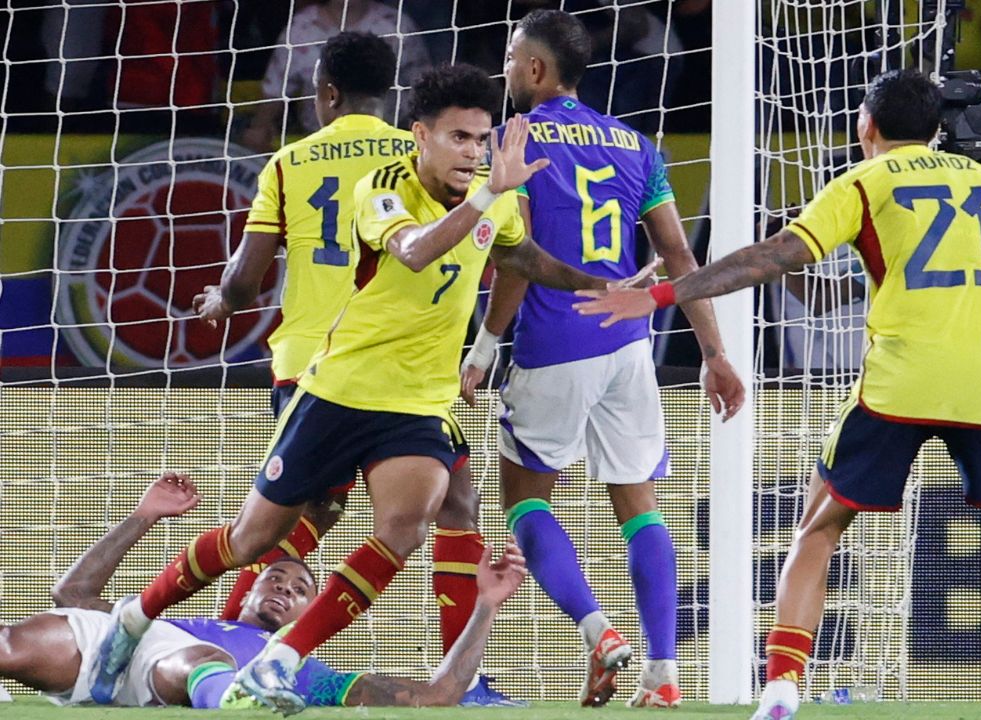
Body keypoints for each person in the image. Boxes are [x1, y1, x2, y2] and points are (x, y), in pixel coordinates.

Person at [575, 69, 981, 720]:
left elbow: (775, 256)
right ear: (936, 128)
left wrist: (662, 293)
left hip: (898, 383)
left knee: (819, 528)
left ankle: (780, 692)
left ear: (867, 126)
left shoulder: (863, 183)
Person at [89, 63, 610, 715]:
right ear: (419, 135)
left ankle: (279, 659)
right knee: (254, 539)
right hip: (339, 389)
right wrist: (484, 198)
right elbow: (414, 251)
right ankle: (135, 619)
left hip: (417, 403)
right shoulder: (380, 189)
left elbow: (521, 257)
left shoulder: (493, 197)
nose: (474, 154)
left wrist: (599, 286)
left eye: (481, 140)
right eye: (459, 139)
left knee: (408, 527)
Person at [192, 31, 513, 706]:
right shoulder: (424, 157)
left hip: (313, 358)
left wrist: (221, 300)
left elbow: (247, 283)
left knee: (433, 500)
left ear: (325, 94)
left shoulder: (290, 160)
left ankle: (457, 680)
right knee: (291, 523)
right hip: (371, 365)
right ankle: (234, 640)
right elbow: (461, 250)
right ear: (400, 104)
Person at [458, 9, 744, 708]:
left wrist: (485, 346)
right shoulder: (635, 145)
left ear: (534, 69)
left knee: (525, 501)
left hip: (555, 343)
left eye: (509, 56)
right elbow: (680, 257)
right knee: (640, 507)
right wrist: (716, 351)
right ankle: (664, 669)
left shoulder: (512, 141)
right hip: (628, 349)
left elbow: (516, 258)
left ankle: (598, 631)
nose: (502, 69)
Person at [0, 473, 528, 709]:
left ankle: (229, 700)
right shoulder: (177, 618)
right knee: (10, 645)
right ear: (246, 591)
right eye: (275, 576)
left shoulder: (304, 671)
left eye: (302, 588)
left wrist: (484, 605)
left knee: (200, 661)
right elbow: (73, 591)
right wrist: (145, 514)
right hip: (124, 642)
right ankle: (227, 696)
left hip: (180, 673)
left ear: (314, 614)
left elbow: (436, 696)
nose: (284, 585)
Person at [242, 0, 429, 152]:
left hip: (386, 143)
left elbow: (421, 87)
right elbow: (275, 88)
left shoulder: (397, 25)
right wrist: (260, 127)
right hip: (319, 144)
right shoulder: (299, 29)